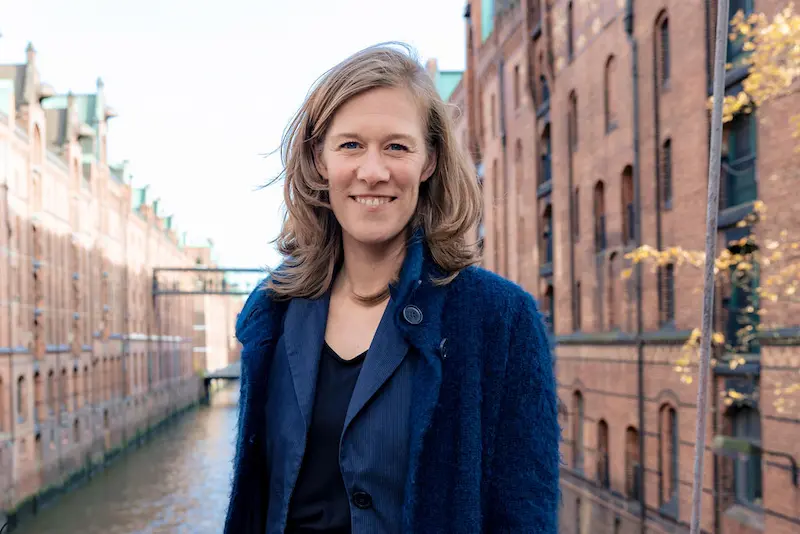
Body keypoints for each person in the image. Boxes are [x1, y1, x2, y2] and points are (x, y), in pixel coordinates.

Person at [224, 42, 560, 534]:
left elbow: (525, 514)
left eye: (397, 147)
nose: (373, 172)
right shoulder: (272, 310)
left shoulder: (498, 318)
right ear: (319, 159)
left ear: (429, 161)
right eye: (350, 145)